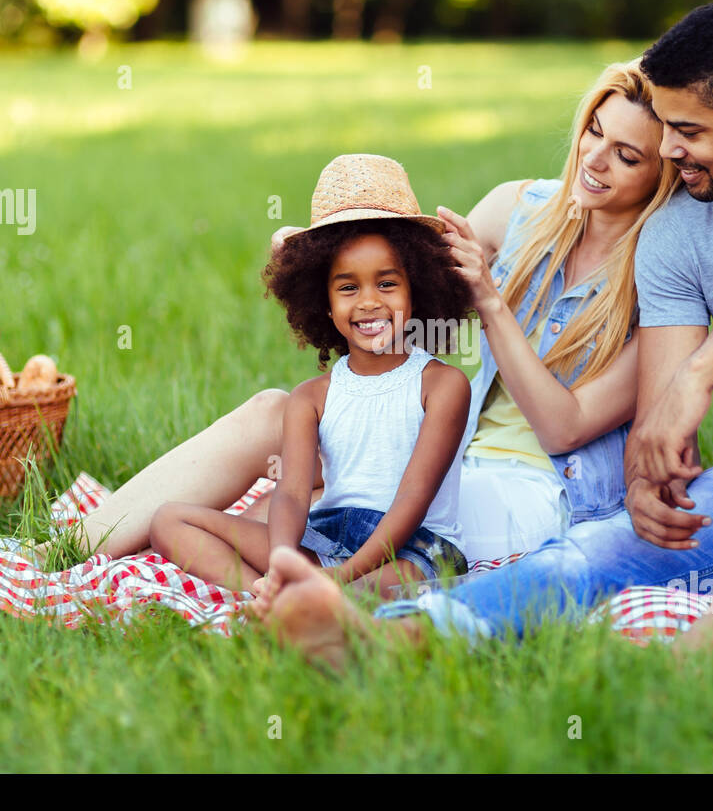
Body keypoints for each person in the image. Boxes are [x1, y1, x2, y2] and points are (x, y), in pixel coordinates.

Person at [254, 0, 713, 665]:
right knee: (593, 549)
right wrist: (645, 485)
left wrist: (705, 372)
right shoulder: (680, 232)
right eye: (663, 131)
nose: (669, 152)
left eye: (688, 132)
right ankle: (397, 639)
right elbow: (658, 412)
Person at [0, 62, 679, 582]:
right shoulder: (524, 209)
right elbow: (407, 286)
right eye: (592, 133)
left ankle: (275, 587)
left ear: (660, 176)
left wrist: (494, 306)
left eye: (627, 156)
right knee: (275, 411)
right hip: (444, 447)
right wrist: (321, 257)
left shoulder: (660, 284)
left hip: (528, 494)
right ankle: (46, 552)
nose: (595, 161)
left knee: (333, 500)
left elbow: (562, 425)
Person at [147, 154, 473, 598]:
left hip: (410, 548)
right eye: (348, 287)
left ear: (418, 290)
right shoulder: (310, 397)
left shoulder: (443, 386)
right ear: (322, 303)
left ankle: (318, 597)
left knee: (392, 583)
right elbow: (293, 495)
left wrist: (343, 574)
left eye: (387, 284)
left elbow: (413, 501)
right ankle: (270, 594)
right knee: (170, 520)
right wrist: (284, 560)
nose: (369, 302)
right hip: (325, 538)